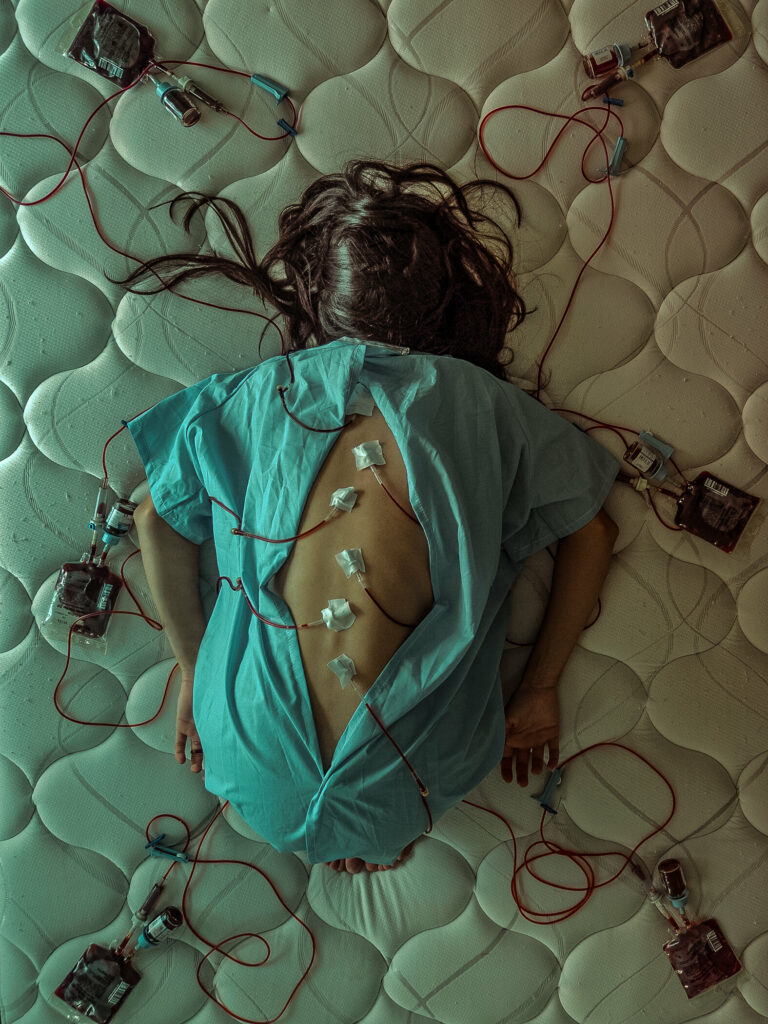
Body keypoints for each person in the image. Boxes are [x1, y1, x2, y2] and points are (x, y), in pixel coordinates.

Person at [118, 160, 619, 875]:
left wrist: (195, 671)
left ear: (320, 306)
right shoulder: (488, 406)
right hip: (413, 777)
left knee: (300, 774)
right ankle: (367, 823)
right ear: (447, 305)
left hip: (243, 754)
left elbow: (150, 518)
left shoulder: (257, 393)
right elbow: (593, 531)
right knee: (392, 776)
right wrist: (538, 689)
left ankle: (342, 821)